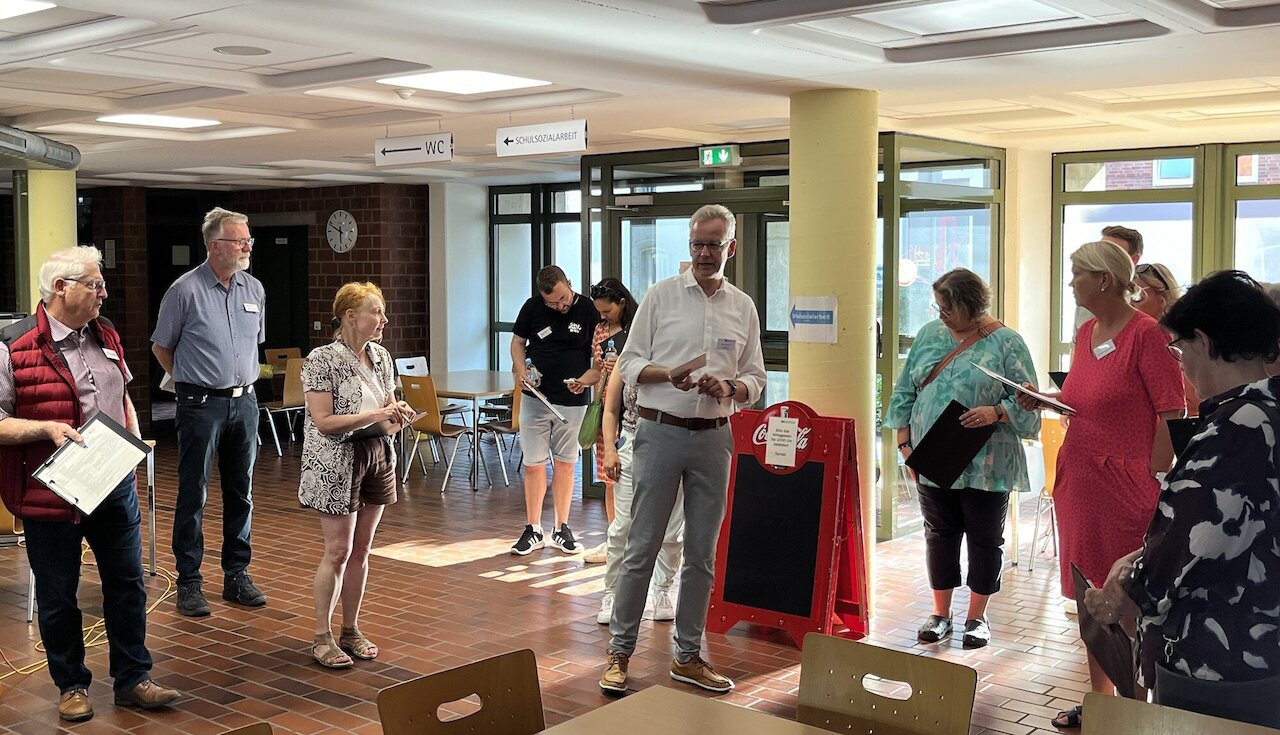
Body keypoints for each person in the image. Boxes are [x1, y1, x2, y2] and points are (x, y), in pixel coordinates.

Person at [1086, 271, 1280, 729]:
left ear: (1206, 342)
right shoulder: (1265, 411)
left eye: (1180, 348)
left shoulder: (1239, 427)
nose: (1180, 363)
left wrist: (1123, 590)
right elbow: (1229, 521)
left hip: (1224, 656)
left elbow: (1193, 542)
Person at [0, 246, 180, 722]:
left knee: (128, 584)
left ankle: (133, 678)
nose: (104, 292)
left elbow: (121, 396)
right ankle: (72, 684)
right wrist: (46, 429)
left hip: (112, 481)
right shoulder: (11, 344)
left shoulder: (106, 334)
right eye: (95, 284)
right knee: (59, 594)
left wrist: (134, 437)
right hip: (51, 491)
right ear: (62, 288)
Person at [1016, 240, 1186, 729]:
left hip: (1127, 485)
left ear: (1105, 280)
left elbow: (1170, 412)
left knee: (1126, 597)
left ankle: (1134, 706)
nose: (1071, 285)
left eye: (1076, 276)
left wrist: (1153, 476)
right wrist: (1044, 398)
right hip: (1081, 478)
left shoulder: (1147, 334)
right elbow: (1083, 400)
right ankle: (1101, 700)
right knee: (1088, 595)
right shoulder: (1087, 332)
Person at [600, 204, 766, 695]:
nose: (703, 253)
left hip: (714, 436)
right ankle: (619, 653)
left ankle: (688, 657)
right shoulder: (660, 296)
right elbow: (628, 363)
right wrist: (665, 374)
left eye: (713, 244)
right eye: (697, 243)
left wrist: (732, 388)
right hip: (659, 431)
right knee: (641, 544)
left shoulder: (743, 306)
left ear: (731, 248)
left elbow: (756, 376)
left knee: (701, 553)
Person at [886, 268, 1040, 649]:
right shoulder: (929, 335)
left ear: (972, 306)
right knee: (939, 535)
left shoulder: (1007, 343)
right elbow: (906, 388)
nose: (941, 316)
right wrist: (905, 444)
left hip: (988, 460)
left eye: (948, 309)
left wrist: (997, 412)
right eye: (937, 307)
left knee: (985, 539)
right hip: (933, 456)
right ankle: (940, 613)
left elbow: (1029, 403)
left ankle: (977, 616)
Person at [151, 207, 268, 617]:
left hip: (246, 401)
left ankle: (237, 575)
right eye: (240, 241)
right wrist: (188, 381)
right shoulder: (184, 290)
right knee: (194, 492)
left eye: (248, 240)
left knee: (242, 493)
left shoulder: (253, 289)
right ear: (215, 245)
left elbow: (254, 345)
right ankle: (189, 582)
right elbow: (161, 345)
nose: (248, 246)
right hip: (200, 404)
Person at [300, 282, 415, 668]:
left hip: (377, 453)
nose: (383, 320)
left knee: (361, 550)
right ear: (351, 316)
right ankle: (321, 635)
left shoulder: (381, 357)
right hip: (336, 461)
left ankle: (350, 629)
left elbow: (385, 404)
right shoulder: (322, 359)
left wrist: (397, 412)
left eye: (382, 313)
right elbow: (324, 421)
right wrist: (379, 414)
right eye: (376, 312)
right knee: (337, 551)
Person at [509, 265, 600, 555]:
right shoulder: (532, 307)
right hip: (536, 397)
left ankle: (561, 527)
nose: (559, 306)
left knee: (565, 463)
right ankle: (533, 528)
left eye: (562, 299)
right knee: (534, 464)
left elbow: (597, 357)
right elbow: (517, 342)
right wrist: (521, 369)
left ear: (569, 285)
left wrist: (584, 382)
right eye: (552, 302)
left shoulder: (587, 309)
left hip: (572, 400)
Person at [596, 347, 684, 626]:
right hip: (632, 442)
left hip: (674, 443)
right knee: (623, 527)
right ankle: (612, 593)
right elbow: (610, 409)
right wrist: (610, 449)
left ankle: (662, 590)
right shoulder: (628, 356)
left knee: (672, 529)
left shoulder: (681, 353)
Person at [583, 277, 637, 565]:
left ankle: (634, 541)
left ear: (622, 303)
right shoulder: (600, 331)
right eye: (600, 312)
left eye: (608, 311)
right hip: (606, 408)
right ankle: (613, 538)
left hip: (633, 411)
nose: (603, 317)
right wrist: (583, 382)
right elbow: (597, 370)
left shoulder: (638, 329)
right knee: (609, 477)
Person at [1132, 262, 1201, 413]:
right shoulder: (1130, 341)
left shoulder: (1184, 342)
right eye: (1127, 298)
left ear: (1163, 297)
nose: (1130, 306)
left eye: (1137, 297)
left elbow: (1192, 402)